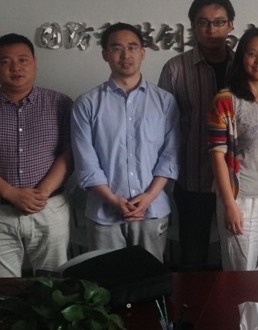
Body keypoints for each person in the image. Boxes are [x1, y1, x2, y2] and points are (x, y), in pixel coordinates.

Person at [72, 23, 180, 261]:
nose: (125, 55)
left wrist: (149, 196)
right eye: (117, 48)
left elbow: (170, 156)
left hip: (152, 210)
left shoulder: (165, 101)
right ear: (105, 54)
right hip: (104, 213)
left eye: (132, 47)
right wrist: (112, 200)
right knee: (106, 279)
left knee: (150, 276)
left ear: (143, 52)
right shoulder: (87, 104)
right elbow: (86, 161)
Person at [0, 34, 73, 277]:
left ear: (34, 62)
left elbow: (69, 153)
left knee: (54, 285)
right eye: (5, 61)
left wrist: (42, 193)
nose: (16, 68)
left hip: (49, 208)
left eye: (22, 60)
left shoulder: (60, 103)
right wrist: (10, 193)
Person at [159, 0, 235, 270]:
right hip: (193, 178)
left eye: (219, 22)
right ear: (193, 26)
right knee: (193, 257)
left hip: (238, 180)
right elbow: (163, 128)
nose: (211, 29)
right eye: (203, 23)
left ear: (231, 25)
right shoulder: (176, 69)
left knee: (237, 254)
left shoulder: (246, 66)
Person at [208, 28, 258, 270]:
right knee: (241, 273)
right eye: (252, 54)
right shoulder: (225, 100)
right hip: (241, 199)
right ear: (241, 58)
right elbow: (217, 157)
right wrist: (229, 205)